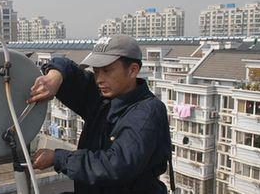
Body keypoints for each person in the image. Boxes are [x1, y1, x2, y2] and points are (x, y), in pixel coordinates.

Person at [28, 35, 174, 194]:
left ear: (132, 70)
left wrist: (58, 158)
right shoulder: (103, 98)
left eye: (107, 71)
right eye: (96, 72)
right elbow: (67, 67)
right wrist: (54, 77)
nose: (99, 79)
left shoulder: (147, 112)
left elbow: (115, 166)